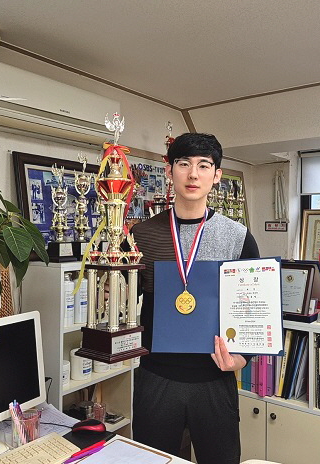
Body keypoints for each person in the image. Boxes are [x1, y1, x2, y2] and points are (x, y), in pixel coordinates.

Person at [131, 133, 259, 464]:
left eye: (204, 166)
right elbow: (124, 304)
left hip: (214, 377)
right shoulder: (141, 235)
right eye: (183, 164)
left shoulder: (238, 237)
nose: (192, 174)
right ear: (169, 170)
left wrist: (241, 359)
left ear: (216, 175)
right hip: (156, 376)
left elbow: (252, 309)